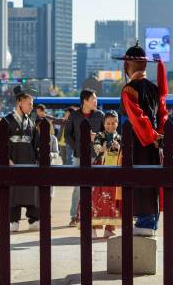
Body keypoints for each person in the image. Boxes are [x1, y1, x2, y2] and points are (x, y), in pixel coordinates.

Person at [114, 41, 167, 236]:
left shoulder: (129, 89)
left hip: (138, 142)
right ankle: (151, 222)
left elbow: (137, 117)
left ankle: (145, 222)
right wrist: (158, 136)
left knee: (140, 178)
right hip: (154, 143)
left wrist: (151, 136)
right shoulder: (155, 89)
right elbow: (163, 115)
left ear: (127, 65)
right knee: (152, 179)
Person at [64, 90, 104, 227]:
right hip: (79, 156)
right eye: (93, 99)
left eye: (96, 99)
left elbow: (106, 134)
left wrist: (97, 137)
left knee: (97, 188)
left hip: (97, 156)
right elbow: (67, 135)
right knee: (78, 187)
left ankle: (95, 215)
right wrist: (77, 146)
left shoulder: (100, 115)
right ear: (85, 101)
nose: (96, 101)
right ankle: (74, 215)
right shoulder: (74, 115)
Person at [5, 86, 41, 232]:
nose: (31, 107)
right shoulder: (7, 121)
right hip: (13, 162)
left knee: (31, 191)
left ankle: (33, 219)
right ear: (20, 103)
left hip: (29, 162)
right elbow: (1, 143)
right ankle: (13, 220)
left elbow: (36, 143)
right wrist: (7, 159)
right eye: (29, 104)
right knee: (13, 193)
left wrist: (37, 160)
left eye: (32, 104)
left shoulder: (31, 123)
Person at [90, 111, 122, 239]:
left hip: (114, 170)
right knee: (96, 197)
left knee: (112, 198)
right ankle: (92, 228)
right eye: (108, 123)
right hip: (100, 168)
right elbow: (97, 148)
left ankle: (109, 228)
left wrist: (118, 147)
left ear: (117, 123)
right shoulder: (100, 135)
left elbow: (121, 153)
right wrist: (104, 146)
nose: (111, 126)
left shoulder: (119, 137)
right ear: (104, 124)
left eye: (113, 123)